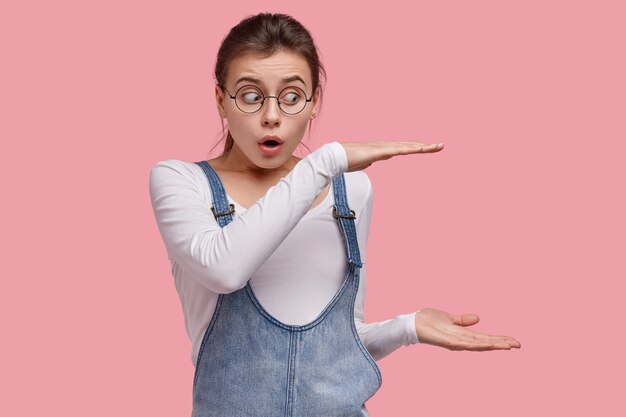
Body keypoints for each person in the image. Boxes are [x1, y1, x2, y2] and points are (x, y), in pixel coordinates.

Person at [149, 12, 521, 417]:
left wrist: (406, 328)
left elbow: (338, 344)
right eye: (251, 96)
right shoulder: (181, 181)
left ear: (315, 103)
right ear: (221, 100)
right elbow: (224, 269)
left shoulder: (351, 192)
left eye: (291, 97)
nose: (272, 116)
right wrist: (325, 160)